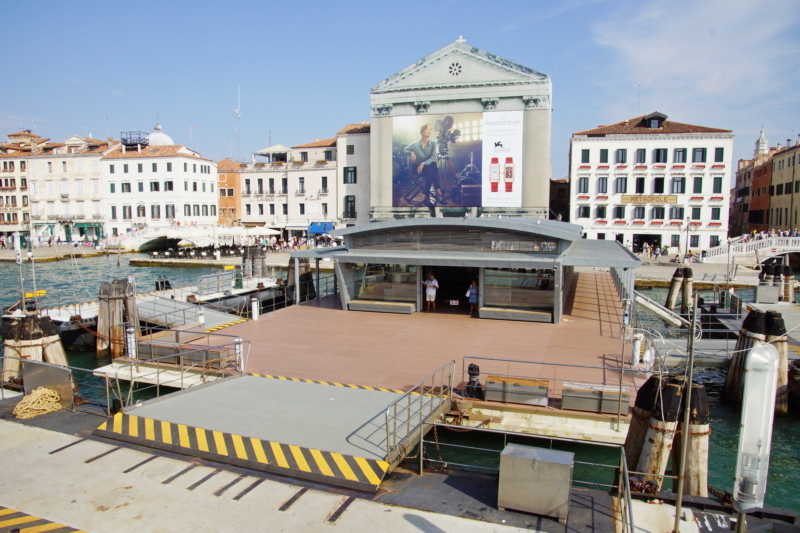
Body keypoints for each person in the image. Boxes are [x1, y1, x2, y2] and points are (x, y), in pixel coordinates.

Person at [404, 124, 447, 205]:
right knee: (433, 168)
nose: (430, 131)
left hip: (427, 168)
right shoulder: (415, 144)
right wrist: (411, 152)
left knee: (431, 167)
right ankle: (438, 192)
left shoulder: (434, 143)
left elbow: (433, 157)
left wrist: (423, 163)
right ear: (422, 132)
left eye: (431, 129)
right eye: (427, 129)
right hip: (417, 168)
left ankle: (427, 197)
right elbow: (404, 149)